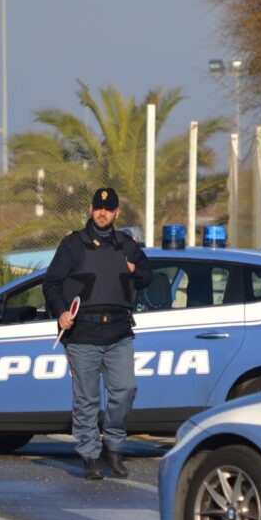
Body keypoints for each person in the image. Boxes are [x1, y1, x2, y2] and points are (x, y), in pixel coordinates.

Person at [43, 186, 151, 480]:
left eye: (109, 208)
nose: (103, 212)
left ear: (116, 213)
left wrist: (133, 269)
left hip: (118, 331)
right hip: (82, 334)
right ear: (91, 210)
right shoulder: (72, 244)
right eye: (98, 207)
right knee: (87, 399)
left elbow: (148, 276)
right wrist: (61, 311)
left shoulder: (127, 243)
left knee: (125, 391)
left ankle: (112, 448)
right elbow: (51, 284)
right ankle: (90, 456)